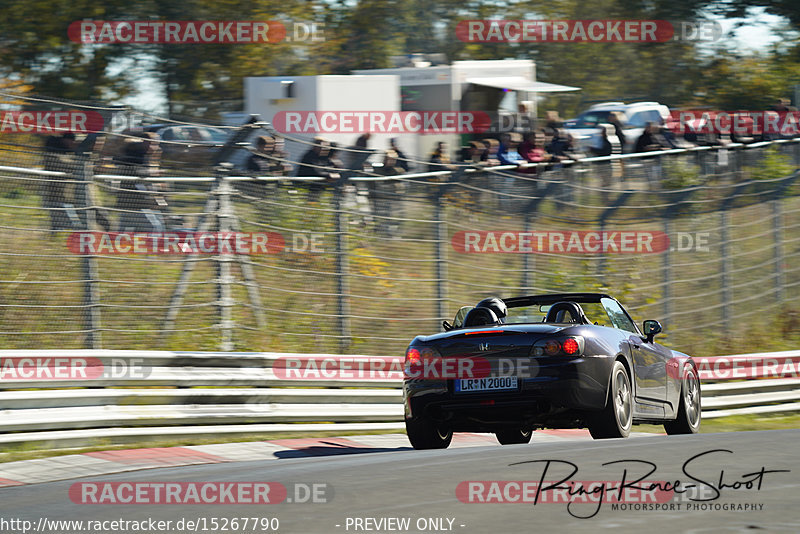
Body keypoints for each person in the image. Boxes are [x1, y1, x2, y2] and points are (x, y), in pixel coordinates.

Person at [42, 133, 78, 231]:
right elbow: (67, 166)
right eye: (71, 140)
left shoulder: (69, 155)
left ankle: (55, 239)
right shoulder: (53, 157)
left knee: (61, 224)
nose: (73, 143)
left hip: (66, 197)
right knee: (72, 224)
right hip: (57, 196)